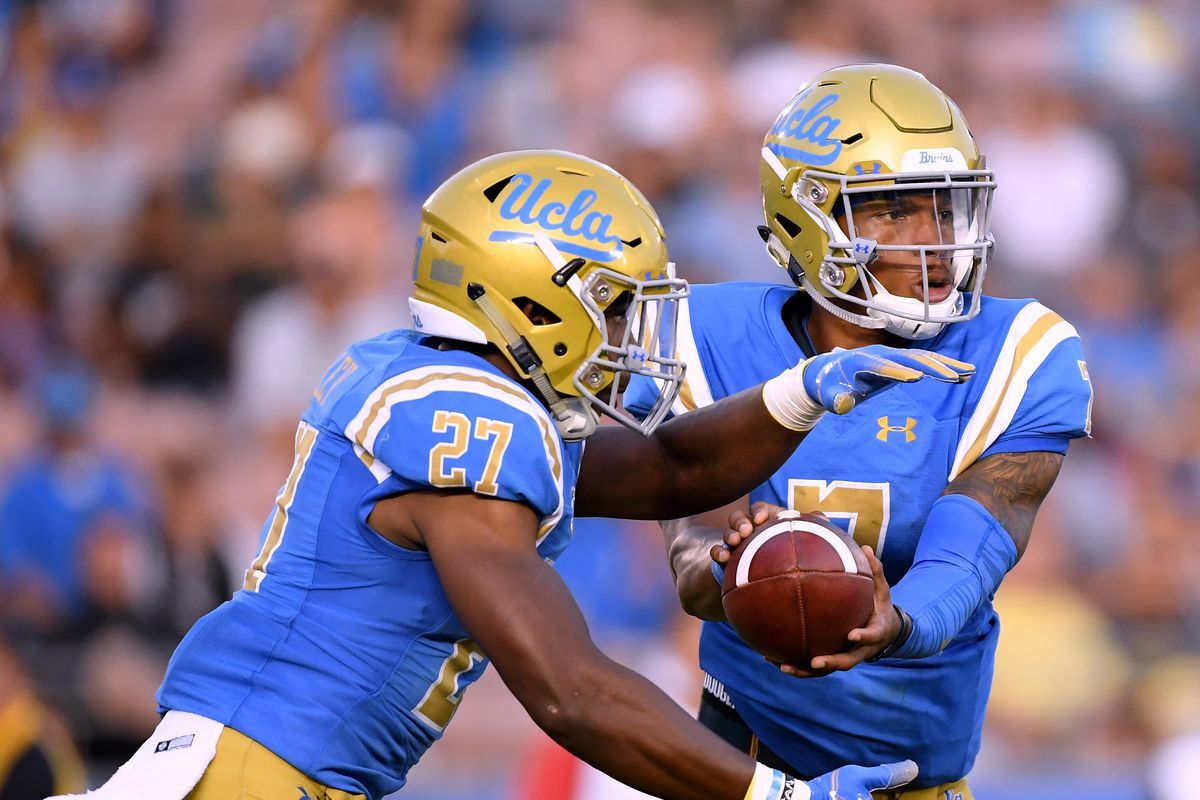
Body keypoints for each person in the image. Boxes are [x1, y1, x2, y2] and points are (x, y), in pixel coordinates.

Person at [56, 150, 973, 800]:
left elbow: (665, 473)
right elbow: (568, 688)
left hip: (275, 766)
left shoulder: (461, 386)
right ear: (533, 296)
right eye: (614, 307)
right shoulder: (465, 418)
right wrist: (776, 796)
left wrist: (797, 396)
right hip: (252, 772)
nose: (629, 338)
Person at [638, 64, 1094, 799]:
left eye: (946, 210)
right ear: (806, 223)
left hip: (926, 784)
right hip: (741, 768)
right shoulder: (706, 335)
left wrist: (900, 618)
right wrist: (737, 570)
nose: (935, 242)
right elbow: (690, 548)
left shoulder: (1020, 347)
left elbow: (979, 539)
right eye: (893, 210)